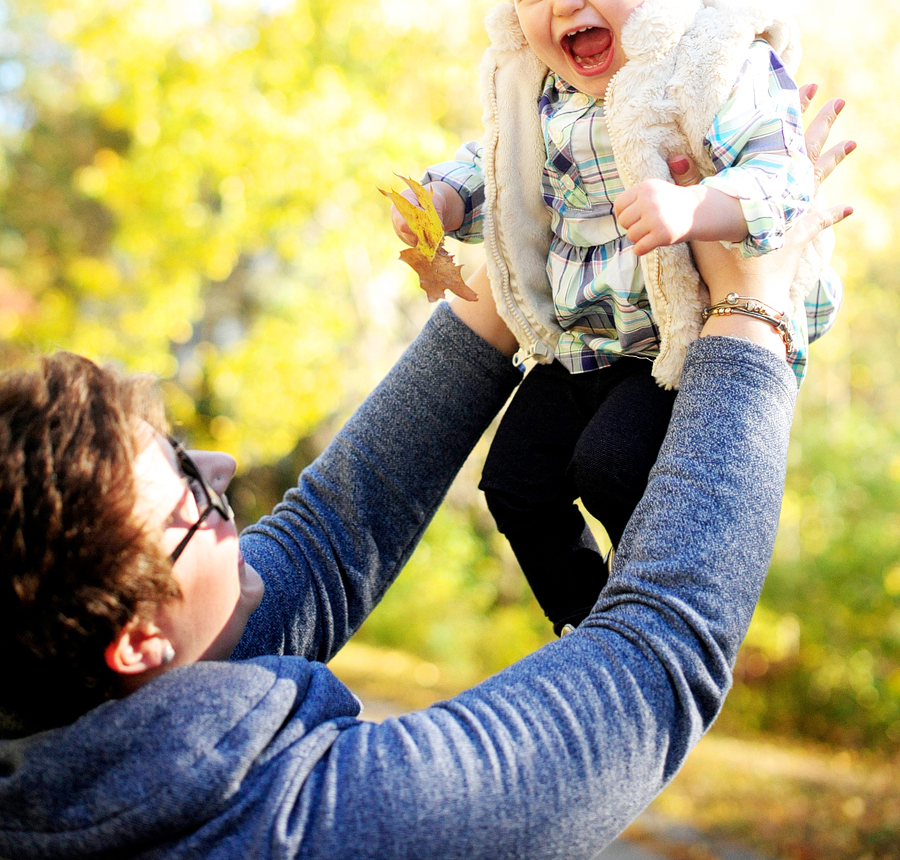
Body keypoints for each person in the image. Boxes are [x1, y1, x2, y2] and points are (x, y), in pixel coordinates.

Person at [0, 96, 851, 859]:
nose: (221, 468)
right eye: (189, 487)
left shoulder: (59, 717)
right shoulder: (308, 829)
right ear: (137, 640)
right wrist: (752, 309)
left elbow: (334, 533)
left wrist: (531, 248)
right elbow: (655, 664)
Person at [393, 0, 842, 634]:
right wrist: (443, 204)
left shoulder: (713, 66)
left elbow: (783, 175)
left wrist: (693, 207)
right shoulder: (542, 96)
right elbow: (495, 171)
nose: (564, 2)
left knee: (611, 465)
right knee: (516, 482)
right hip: (580, 343)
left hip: (671, 344)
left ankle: (668, 615)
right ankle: (588, 625)